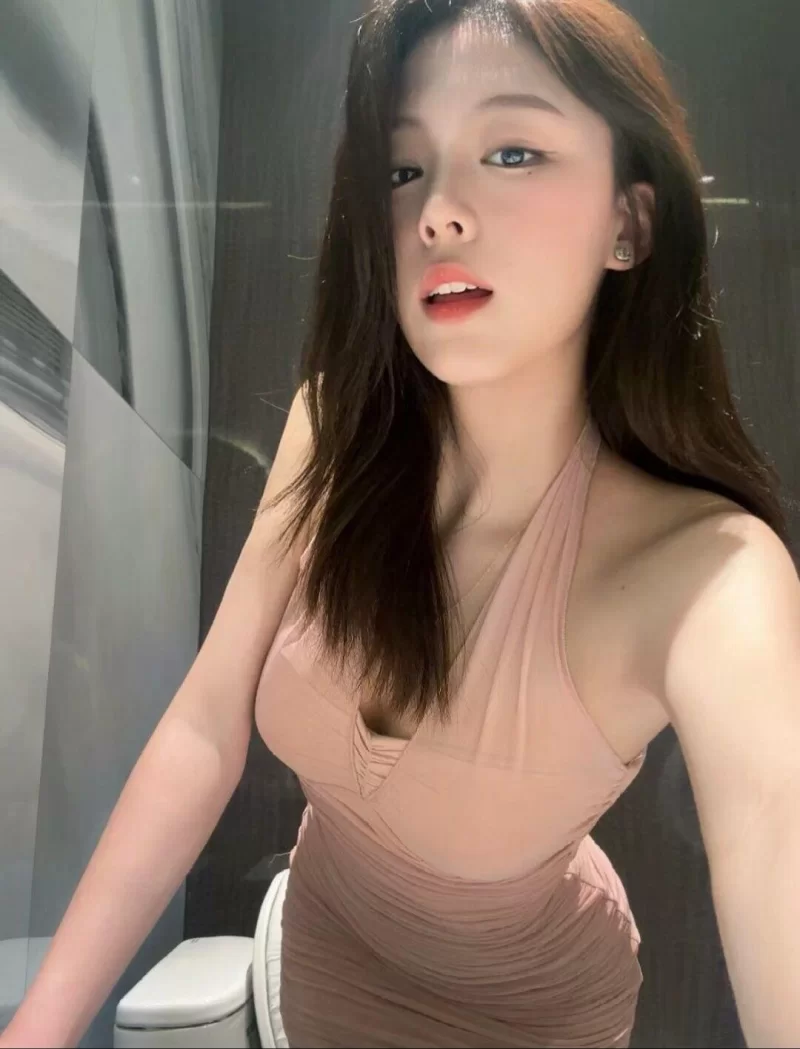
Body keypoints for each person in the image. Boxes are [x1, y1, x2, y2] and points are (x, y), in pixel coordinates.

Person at [4, 1, 799, 1047]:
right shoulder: (332, 426)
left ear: (629, 223)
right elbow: (203, 727)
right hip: (325, 954)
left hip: (538, 1012)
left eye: (511, 151)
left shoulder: (711, 576)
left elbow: (776, 842)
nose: (437, 213)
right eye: (403, 168)